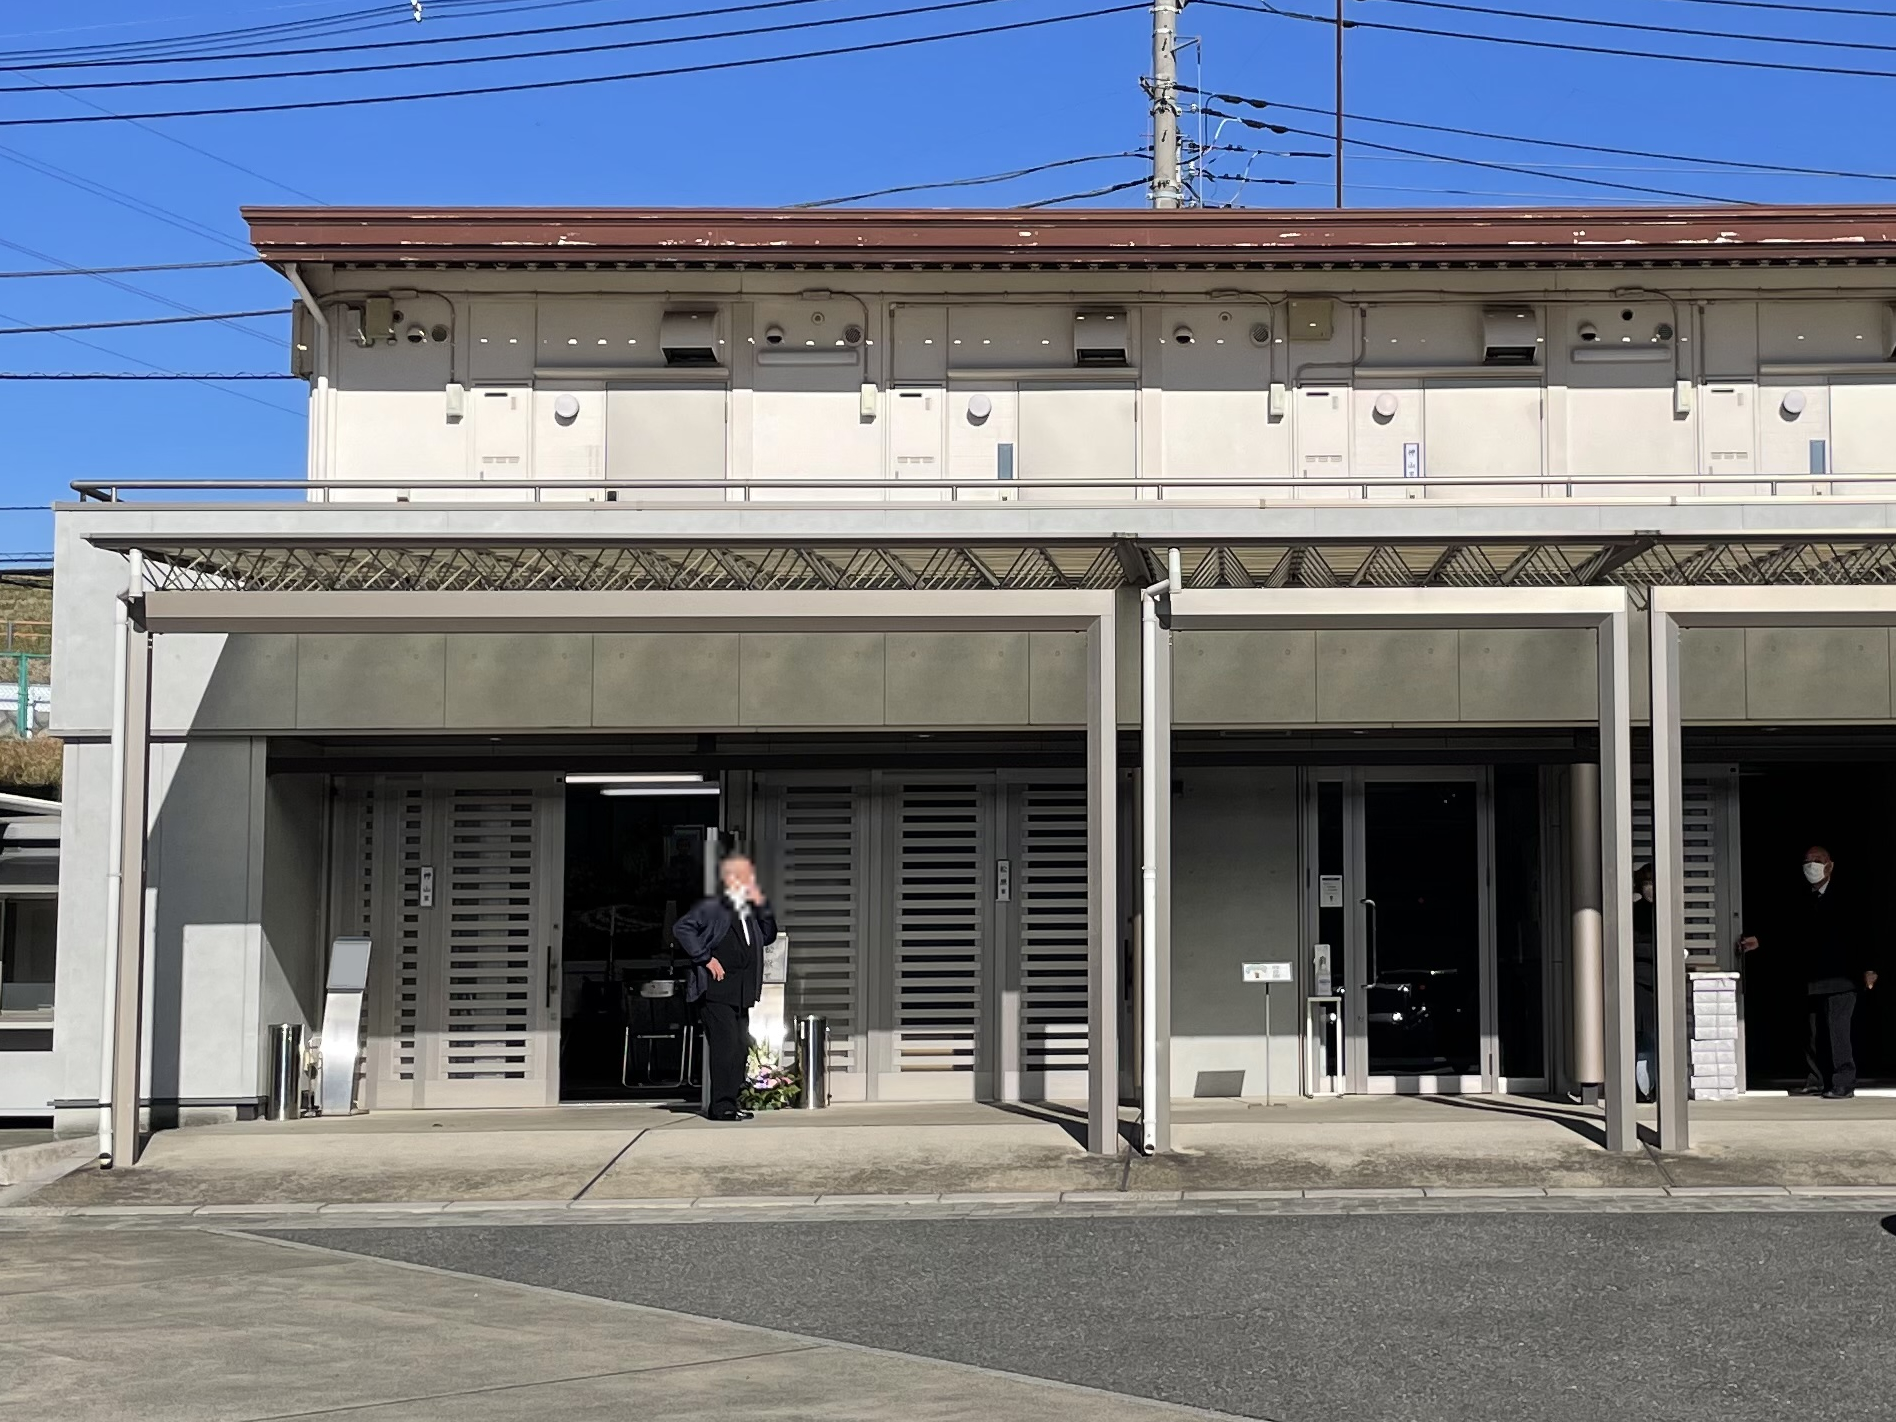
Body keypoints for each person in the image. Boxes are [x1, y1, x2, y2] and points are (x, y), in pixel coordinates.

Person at [1738, 845, 1879, 1100]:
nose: (1811, 865)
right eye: (1807, 861)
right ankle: (1816, 1080)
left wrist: (1869, 968)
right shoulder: (1804, 899)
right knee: (1812, 1033)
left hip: (1841, 977)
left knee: (1838, 1031)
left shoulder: (1848, 896)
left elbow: (1864, 933)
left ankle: (1843, 1083)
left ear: (1830, 866)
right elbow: (1789, 931)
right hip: (1811, 978)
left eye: (1818, 860)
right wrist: (1761, 940)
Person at [673, 854, 777, 1121]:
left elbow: (768, 935)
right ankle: (721, 1106)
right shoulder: (715, 907)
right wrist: (705, 958)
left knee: (740, 1047)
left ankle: (732, 1099)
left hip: (741, 991)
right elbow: (682, 928)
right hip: (718, 990)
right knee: (725, 1046)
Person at [1633, 862, 1658, 1103]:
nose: (1649, 888)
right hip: (1641, 981)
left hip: (1660, 981)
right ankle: (1643, 1088)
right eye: (1646, 884)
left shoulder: (1667, 909)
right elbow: (1633, 945)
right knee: (1643, 1037)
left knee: (1657, 1036)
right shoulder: (1635, 911)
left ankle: (1655, 1086)